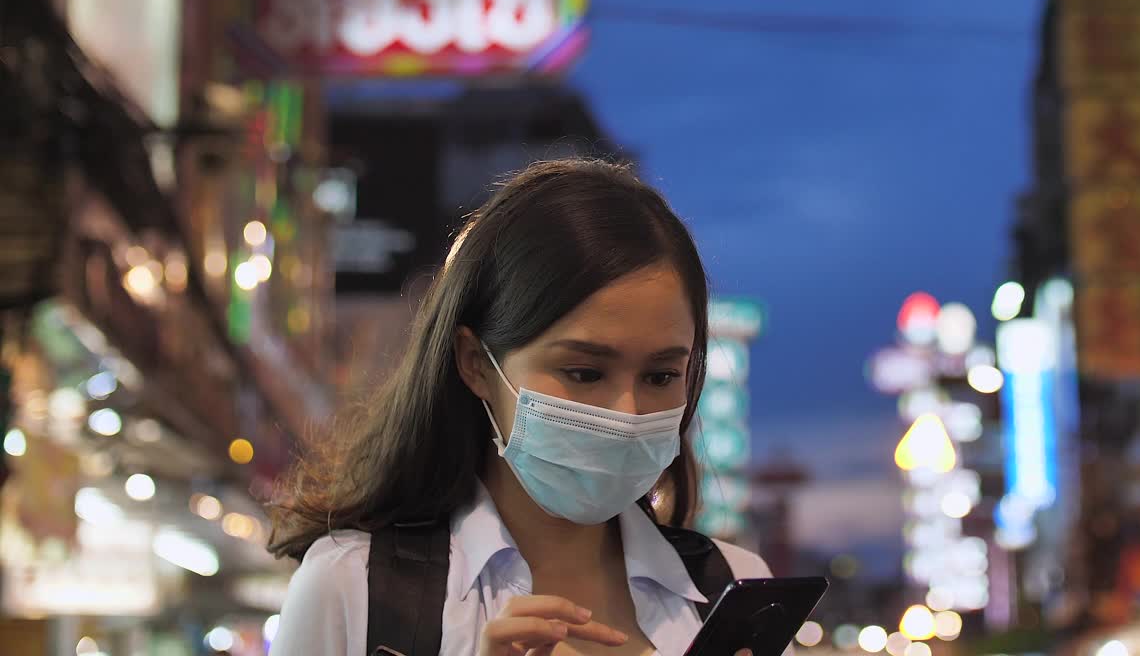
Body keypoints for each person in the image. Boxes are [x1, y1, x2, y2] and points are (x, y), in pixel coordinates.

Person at [268, 159, 778, 656]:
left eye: (661, 376)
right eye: (584, 373)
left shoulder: (737, 591)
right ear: (475, 364)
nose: (627, 411)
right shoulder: (353, 587)